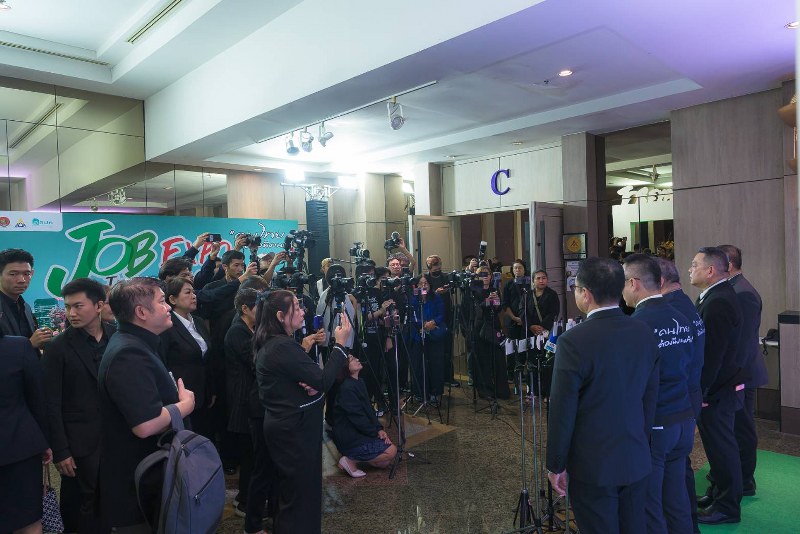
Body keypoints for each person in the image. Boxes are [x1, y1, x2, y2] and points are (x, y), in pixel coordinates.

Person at [546, 257, 660, 534]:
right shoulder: (643, 332)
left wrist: (556, 464)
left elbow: (562, 409)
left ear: (585, 294)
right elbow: (649, 398)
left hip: (592, 465)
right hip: (635, 456)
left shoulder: (573, 341)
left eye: (575, 289)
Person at [97, 277, 196, 532]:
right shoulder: (128, 353)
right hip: (139, 481)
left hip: (151, 473)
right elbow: (145, 424)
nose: (168, 307)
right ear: (141, 312)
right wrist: (185, 405)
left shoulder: (138, 343)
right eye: (162, 301)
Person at [253, 290, 352, 534]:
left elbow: (311, 380)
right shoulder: (281, 346)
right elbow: (323, 380)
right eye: (296, 308)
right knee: (299, 498)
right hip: (293, 431)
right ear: (280, 316)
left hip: (292, 427)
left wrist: (313, 385)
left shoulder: (279, 344)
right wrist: (340, 344)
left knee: (296, 494)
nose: (302, 311)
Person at [622, 254, 695, 534]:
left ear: (633, 283)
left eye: (623, 284)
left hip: (657, 423)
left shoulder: (637, 325)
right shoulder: (681, 317)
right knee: (676, 500)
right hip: (683, 419)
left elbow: (633, 382)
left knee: (650, 504)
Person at [41, 278, 115, 534]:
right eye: (68, 306)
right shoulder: (57, 347)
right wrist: (60, 450)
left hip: (115, 436)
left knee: (112, 499)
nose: (71, 313)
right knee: (80, 506)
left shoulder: (117, 336)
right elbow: (51, 403)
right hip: (78, 442)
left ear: (99, 306)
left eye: (78, 306)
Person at [688, 247, 743, 525]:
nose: (690, 269)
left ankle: (727, 506)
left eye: (694, 265)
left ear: (710, 270)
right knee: (717, 446)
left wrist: (702, 391)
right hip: (719, 387)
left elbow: (712, 355)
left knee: (722, 448)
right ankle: (717, 494)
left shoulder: (719, 301)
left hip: (718, 390)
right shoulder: (714, 296)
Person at [657, 257, 705, 534]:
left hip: (678, 402)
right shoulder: (684, 304)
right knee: (679, 470)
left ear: (659, 281)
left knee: (674, 476)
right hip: (688, 398)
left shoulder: (672, 311)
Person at [717, 244, 766, 499]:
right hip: (736, 373)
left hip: (741, 373)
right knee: (734, 427)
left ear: (728, 264)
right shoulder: (732, 289)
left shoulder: (742, 293)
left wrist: (730, 376)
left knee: (742, 428)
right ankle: (733, 476)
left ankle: (745, 479)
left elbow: (742, 342)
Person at [0, 316, 53, 534]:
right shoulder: (19, 347)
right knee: (29, 518)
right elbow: (38, 398)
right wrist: (45, 442)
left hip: (21, 446)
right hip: (20, 446)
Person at [159, 278, 213, 439]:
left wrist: (212, 389)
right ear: (172, 299)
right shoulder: (167, 325)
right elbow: (163, 363)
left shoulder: (198, 321)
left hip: (204, 392)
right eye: (188, 292)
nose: (194, 296)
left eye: (194, 292)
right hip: (181, 395)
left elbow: (207, 358)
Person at [333, 355, 397, 478]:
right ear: (345, 367)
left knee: (384, 463)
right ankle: (350, 460)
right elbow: (357, 417)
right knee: (392, 451)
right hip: (350, 437)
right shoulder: (347, 388)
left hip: (360, 431)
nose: (357, 359)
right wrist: (375, 433)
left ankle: (356, 457)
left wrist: (379, 428)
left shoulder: (359, 382)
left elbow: (368, 409)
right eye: (352, 360)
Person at [0, 248, 52, 348]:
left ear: (32, 273)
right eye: (13, 274)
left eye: (26, 274)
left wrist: (41, 339)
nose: (22, 280)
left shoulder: (26, 307)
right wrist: (29, 344)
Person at [407, 274, 447, 404]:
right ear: (417, 285)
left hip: (434, 334)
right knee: (419, 365)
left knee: (435, 364)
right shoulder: (413, 299)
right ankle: (420, 393)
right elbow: (411, 316)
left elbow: (441, 314)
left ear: (430, 285)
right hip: (418, 335)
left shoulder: (436, 297)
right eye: (421, 283)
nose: (423, 285)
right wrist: (423, 324)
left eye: (426, 283)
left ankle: (435, 393)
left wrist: (432, 322)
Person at [471, 265, 509, 400]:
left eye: (487, 274)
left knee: (498, 359)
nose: (485, 276)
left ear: (491, 276)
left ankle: (501, 390)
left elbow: (498, 309)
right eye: (482, 274)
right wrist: (488, 301)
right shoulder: (474, 290)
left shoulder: (495, 289)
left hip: (494, 326)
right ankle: (485, 390)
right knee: (483, 360)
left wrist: (496, 303)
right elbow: (476, 311)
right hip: (480, 328)